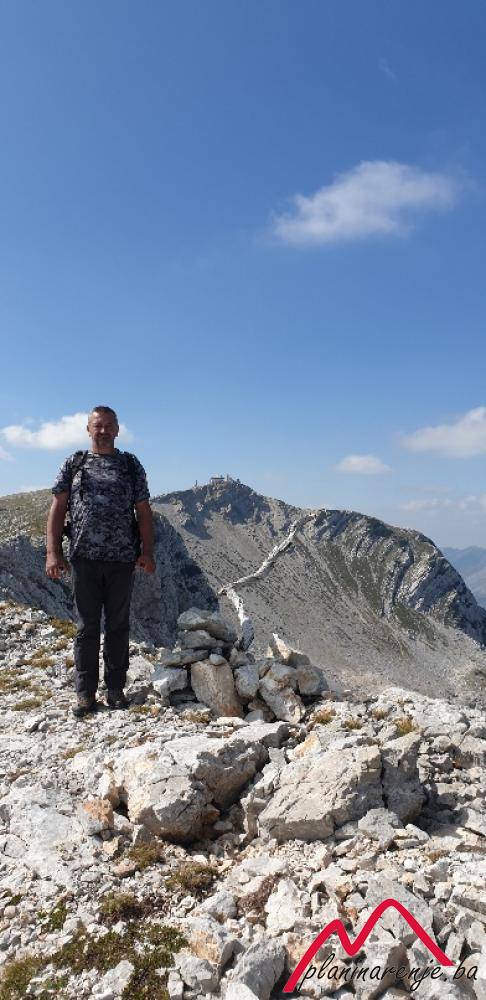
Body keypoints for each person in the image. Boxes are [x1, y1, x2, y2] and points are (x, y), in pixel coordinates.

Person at [45, 406, 156, 717]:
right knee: (87, 628)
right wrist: (53, 552)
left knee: (119, 626)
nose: (104, 431)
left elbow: (143, 511)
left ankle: (116, 690)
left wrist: (147, 552)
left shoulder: (130, 465)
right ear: (88, 429)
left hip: (122, 559)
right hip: (84, 559)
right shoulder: (75, 463)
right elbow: (57, 508)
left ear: (117, 430)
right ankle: (85, 694)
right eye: (98, 426)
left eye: (109, 426)